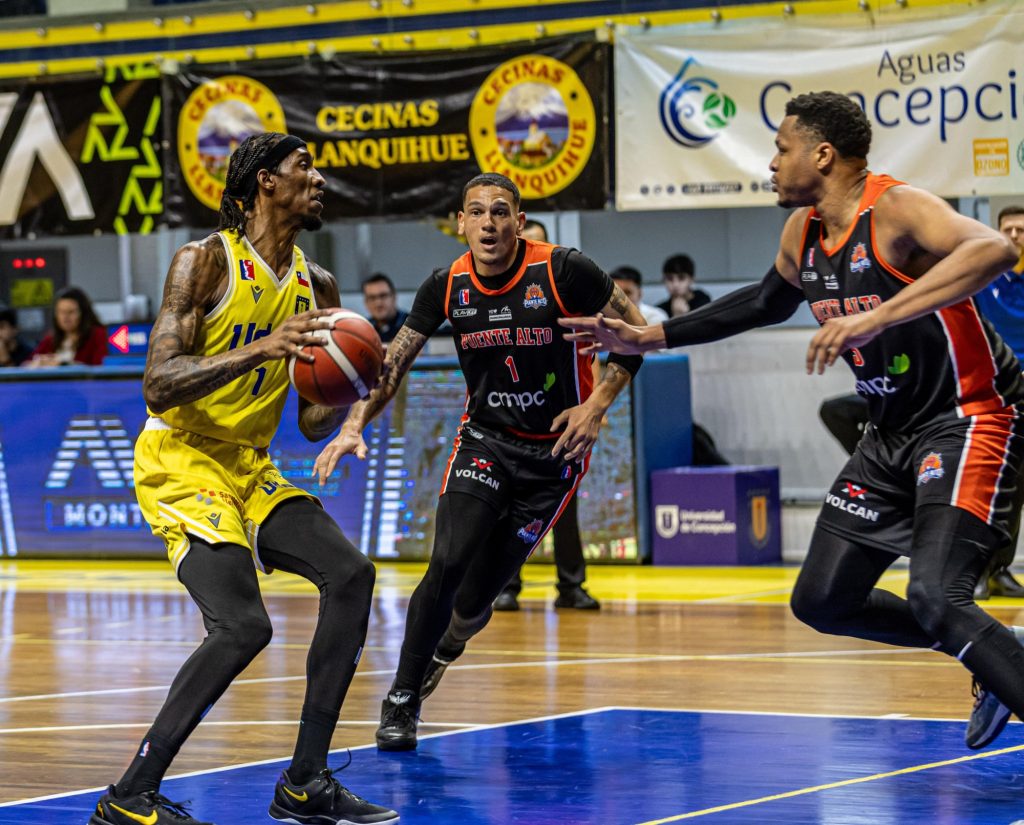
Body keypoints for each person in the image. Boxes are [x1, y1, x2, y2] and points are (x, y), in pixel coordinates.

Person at [561, 91, 1024, 752]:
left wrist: (877, 315)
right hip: (888, 434)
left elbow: (992, 252)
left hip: (969, 417)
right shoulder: (802, 233)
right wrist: (651, 337)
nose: (771, 163)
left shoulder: (895, 209)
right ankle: (993, 651)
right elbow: (762, 301)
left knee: (937, 596)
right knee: (822, 599)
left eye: (782, 149)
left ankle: (981, 645)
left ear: (823, 154)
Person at [89, 133, 397, 825]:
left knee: (351, 575)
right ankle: (128, 794)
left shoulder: (318, 287)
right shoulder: (202, 262)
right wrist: (265, 344)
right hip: (180, 456)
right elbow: (159, 383)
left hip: (249, 463)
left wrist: (355, 386)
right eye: (304, 168)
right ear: (264, 182)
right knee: (241, 624)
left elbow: (314, 420)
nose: (318, 180)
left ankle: (305, 781)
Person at [312, 173, 647, 751]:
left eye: (500, 211)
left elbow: (636, 331)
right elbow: (391, 366)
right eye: (476, 212)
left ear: (519, 220)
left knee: (473, 603)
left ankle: (449, 645)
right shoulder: (445, 285)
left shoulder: (564, 270)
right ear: (459, 222)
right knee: (445, 563)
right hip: (486, 442)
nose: (488, 222)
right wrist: (351, 425)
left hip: (554, 455)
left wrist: (595, 404)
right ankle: (402, 697)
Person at [494, 217, 601, 612]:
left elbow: (593, 348)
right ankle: (506, 585)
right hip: (510, 415)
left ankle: (571, 585)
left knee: (564, 505)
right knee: (507, 506)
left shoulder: (566, 293)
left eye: (537, 243)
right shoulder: (495, 296)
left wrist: (592, 407)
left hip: (560, 416)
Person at [969, 205, 1024, 599]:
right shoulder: (983, 278)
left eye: (1022, 229)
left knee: (1017, 488)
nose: (1016, 235)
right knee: (991, 485)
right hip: (996, 395)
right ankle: (975, 570)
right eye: (1009, 229)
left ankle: (1000, 569)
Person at [26, 286, 107, 366]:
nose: (65, 317)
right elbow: (26, 365)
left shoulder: (100, 335)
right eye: (61, 312)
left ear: (83, 313)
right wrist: (39, 362)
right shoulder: (50, 339)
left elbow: (103, 368)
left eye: (71, 312)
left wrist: (63, 364)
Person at [361, 272, 410, 344]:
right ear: (366, 303)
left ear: (394, 297)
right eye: (372, 298)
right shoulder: (363, 329)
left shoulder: (413, 326)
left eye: (383, 296)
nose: (378, 303)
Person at [657, 253, 711, 318]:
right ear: (664, 280)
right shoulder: (660, 311)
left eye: (681, 278)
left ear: (691, 280)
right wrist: (676, 316)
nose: (675, 284)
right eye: (670, 279)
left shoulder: (704, 303)